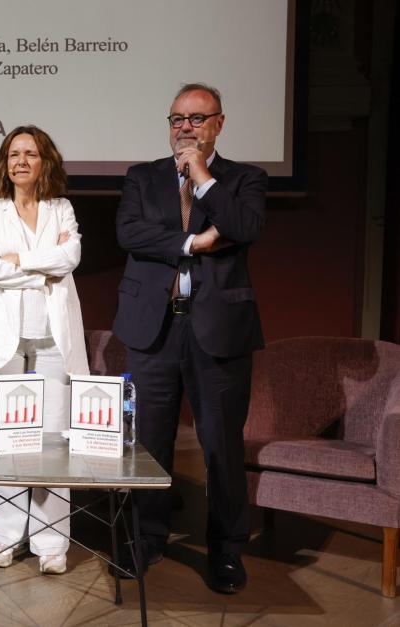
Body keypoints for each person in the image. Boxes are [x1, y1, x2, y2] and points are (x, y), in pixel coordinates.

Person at [112, 83, 267, 593]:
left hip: (218, 330)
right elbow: (130, 233)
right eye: (178, 118)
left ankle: (225, 551)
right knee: (148, 443)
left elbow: (243, 225)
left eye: (197, 119)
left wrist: (202, 178)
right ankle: (147, 536)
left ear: (219, 124)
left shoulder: (244, 179)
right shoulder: (143, 176)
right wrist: (193, 241)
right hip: (153, 328)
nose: (185, 127)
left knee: (221, 446)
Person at [0, 125, 90, 575]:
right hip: (7, 342)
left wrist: (19, 261)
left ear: (46, 162)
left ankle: (51, 543)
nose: (22, 160)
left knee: (53, 445)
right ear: (5, 163)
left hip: (53, 340)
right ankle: (6, 537)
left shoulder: (62, 209)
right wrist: (43, 266)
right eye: (14, 153)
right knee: (11, 444)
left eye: (31, 153)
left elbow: (72, 258)